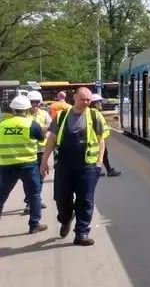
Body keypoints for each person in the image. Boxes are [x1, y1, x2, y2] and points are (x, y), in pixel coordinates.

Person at [40, 87, 106, 246]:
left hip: (87, 166)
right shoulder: (62, 116)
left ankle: (82, 233)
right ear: (75, 98)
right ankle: (65, 219)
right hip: (64, 165)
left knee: (85, 200)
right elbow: (51, 140)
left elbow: (101, 140)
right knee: (61, 198)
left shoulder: (94, 116)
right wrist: (44, 162)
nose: (86, 102)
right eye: (83, 99)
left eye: (89, 100)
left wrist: (99, 162)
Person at [0, 95, 48, 234]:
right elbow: (42, 141)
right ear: (27, 110)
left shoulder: (2, 125)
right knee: (34, 195)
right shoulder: (32, 125)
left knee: (2, 196)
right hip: (28, 165)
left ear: (13, 110)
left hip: (6, 165)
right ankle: (34, 225)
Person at [23, 90, 51, 214]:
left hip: (41, 150)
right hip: (28, 150)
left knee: (40, 176)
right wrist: (40, 130)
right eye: (32, 102)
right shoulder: (24, 115)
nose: (35, 104)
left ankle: (35, 199)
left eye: (37, 102)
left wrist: (40, 129)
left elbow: (51, 126)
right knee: (28, 178)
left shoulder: (44, 114)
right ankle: (30, 202)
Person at [91, 93, 121, 177]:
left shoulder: (95, 112)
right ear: (94, 104)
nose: (100, 104)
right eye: (98, 102)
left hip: (99, 137)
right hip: (97, 138)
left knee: (102, 154)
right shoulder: (94, 113)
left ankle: (101, 170)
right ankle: (107, 170)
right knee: (102, 154)